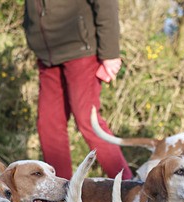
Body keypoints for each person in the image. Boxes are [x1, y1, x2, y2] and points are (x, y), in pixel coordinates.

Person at [23, 0, 133, 180]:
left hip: (82, 51)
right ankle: (61, 196)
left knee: (89, 122)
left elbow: (106, 4)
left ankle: (131, 189)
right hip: (47, 56)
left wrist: (110, 53)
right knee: (48, 125)